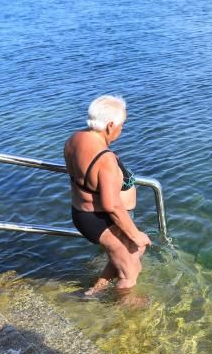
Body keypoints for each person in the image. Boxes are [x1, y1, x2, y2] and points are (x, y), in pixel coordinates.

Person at [63, 95, 151, 302]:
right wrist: (135, 234)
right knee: (130, 271)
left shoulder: (75, 139)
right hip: (99, 217)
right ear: (110, 126)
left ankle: (95, 291)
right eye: (122, 125)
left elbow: (77, 175)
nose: (122, 130)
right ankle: (126, 314)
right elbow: (111, 205)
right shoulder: (105, 159)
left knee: (128, 252)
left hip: (83, 212)